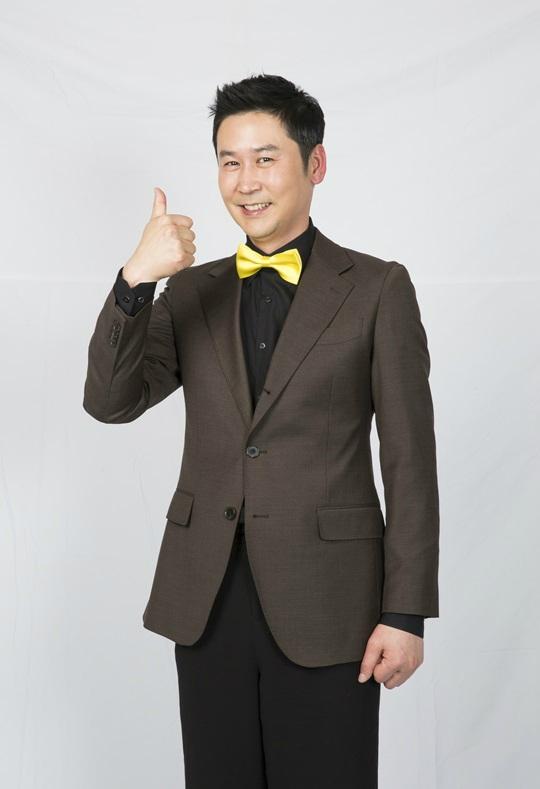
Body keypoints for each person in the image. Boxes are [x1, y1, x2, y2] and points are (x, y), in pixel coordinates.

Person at [83, 73, 440, 789]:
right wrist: (136, 279)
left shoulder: (378, 289)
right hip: (207, 595)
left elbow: (409, 461)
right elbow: (111, 401)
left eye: (266, 159)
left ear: (315, 164)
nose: (246, 182)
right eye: (229, 161)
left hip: (331, 599)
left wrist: (405, 612)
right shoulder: (190, 289)